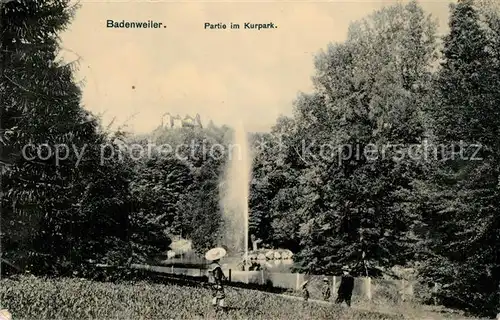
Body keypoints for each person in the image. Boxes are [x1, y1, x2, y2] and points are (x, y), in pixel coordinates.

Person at [205, 247, 228, 312]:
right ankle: (221, 309)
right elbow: (217, 276)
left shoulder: (211, 266)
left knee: (214, 295)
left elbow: (210, 275)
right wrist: (219, 284)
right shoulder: (217, 267)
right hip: (217, 283)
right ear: (218, 258)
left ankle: (214, 308)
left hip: (211, 283)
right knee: (222, 296)